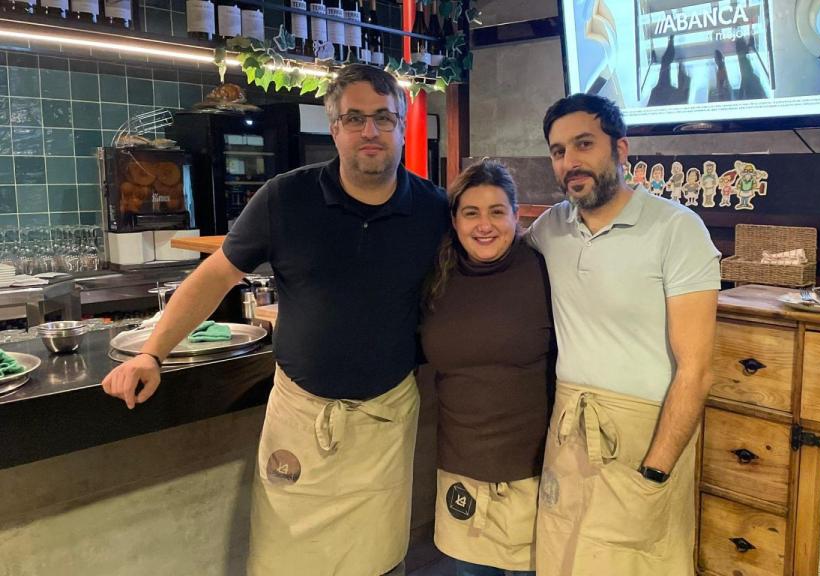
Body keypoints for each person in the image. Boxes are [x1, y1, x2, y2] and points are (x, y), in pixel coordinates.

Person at [101, 64, 449, 576]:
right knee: (284, 561)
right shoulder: (286, 197)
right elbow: (214, 277)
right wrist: (153, 351)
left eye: (383, 117)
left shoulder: (433, 210)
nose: (369, 131)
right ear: (335, 129)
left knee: (379, 562)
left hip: (385, 421)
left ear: (400, 124)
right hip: (300, 418)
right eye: (355, 118)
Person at [527, 93, 720, 575]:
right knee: (561, 562)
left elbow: (696, 371)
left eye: (584, 144)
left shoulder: (677, 229)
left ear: (620, 149)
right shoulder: (550, 229)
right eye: (558, 151)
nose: (570, 162)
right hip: (568, 430)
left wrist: (656, 469)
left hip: (644, 437)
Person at [420, 160, 555, 576]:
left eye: (497, 211)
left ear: (517, 215)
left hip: (534, 474)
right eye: (471, 212)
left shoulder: (546, 271)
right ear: (455, 220)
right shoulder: (433, 278)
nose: (485, 225)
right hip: (461, 471)